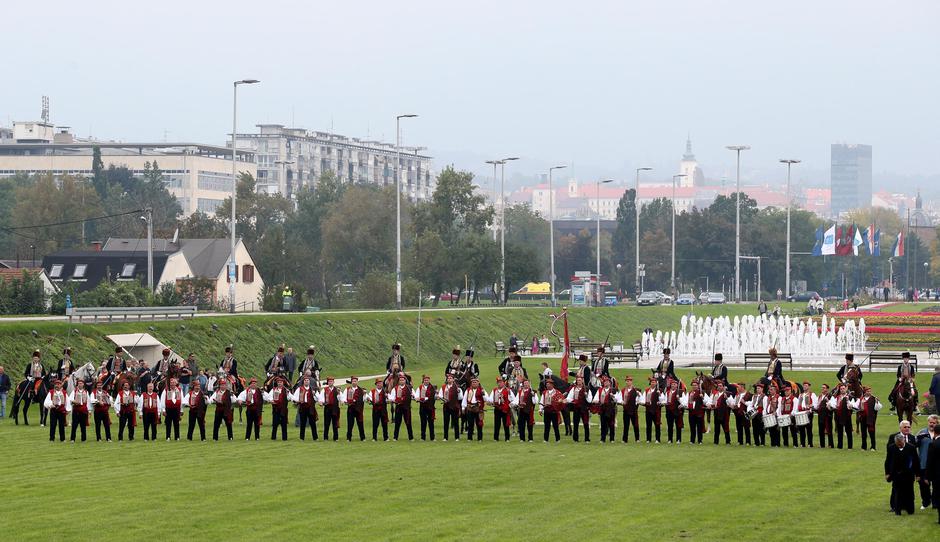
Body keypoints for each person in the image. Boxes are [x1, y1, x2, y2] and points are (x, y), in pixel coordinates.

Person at [884, 433, 921, 515]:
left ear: (903, 440)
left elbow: (916, 462)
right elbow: (887, 461)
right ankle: (898, 510)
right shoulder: (891, 448)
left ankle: (910, 510)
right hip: (896, 474)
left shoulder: (911, 448)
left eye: (900, 444)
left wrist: (918, 474)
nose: (899, 446)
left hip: (908, 474)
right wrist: (887, 473)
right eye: (898, 444)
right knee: (897, 492)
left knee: (909, 492)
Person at [915, 415, 939, 510]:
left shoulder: (939, 433)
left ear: (937, 424)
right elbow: (914, 445)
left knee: (936, 485)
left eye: (934, 423)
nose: (932, 424)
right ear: (928, 422)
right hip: (923, 463)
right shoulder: (922, 432)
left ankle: (935, 503)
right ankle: (926, 502)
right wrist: (919, 440)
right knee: (923, 484)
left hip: (936, 465)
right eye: (930, 422)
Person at [487, 377, 515, 442]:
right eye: (498, 382)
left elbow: (512, 399)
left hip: (505, 409)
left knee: (506, 424)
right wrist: (491, 402)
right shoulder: (494, 390)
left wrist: (510, 402)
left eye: (501, 382)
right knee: (497, 424)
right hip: (497, 409)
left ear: (504, 383)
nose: (499, 384)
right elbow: (491, 399)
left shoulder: (508, 390)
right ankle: (496, 438)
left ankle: (507, 438)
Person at [291, 376, 318, 441]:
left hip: (311, 408)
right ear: (303, 382)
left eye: (307, 380)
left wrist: (314, 395)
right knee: (303, 423)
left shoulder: (312, 389)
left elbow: (317, 399)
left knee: (312, 423)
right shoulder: (299, 389)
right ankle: (301, 438)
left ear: (309, 381)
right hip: (303, 407)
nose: (306, 381)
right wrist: (298, 401)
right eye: (305, 380)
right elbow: (294, 397)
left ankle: (315, 437)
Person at [566, 376, 592, 442]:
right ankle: (575, 438)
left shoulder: (587, 389)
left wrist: (586, 396)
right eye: (578, 380)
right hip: (576, 408)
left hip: (584, 408)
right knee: (576, 424)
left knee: (586, 423)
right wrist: (569, 400)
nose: (579, 382)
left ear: (582, 381)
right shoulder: (574, 389)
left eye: (580, 380)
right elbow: (569, 398)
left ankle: (587, 439)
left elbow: (590, 400)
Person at [438, 374, 463, 441]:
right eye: (448, 378)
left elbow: (460, 398)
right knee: (446, 422)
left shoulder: (457, 387)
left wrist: (459, 392)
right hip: (446, 407)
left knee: (456, 422)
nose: (449, 379)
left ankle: (457, 437)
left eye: (450, 378)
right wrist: (443, 399)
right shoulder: (443, 387)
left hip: (455, 407)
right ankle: (445, 437)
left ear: (453, 379)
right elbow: (440, 396)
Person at [388, 373, 414, 441]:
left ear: (405, 381)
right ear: (399, 381)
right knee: (397, 423)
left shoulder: (409, 388)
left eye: (403, 380)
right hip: (398, 408)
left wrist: (414, 396)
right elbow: (392, 397)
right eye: (400, 380)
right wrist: (392, 400)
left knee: (408, 422)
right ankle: (395, 437)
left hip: (407, 408)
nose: (402, 381)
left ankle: (411, 437)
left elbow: (414, 395)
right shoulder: (395, 388)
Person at [593, 377, 618, 443]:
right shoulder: (600, 390)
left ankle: (612, 439)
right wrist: (595, 401)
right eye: (604, 382)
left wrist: (613, 397)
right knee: (603, 424)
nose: (606, 383)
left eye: (607, 382)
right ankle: (602, 438)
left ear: (610, 383)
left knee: (611, 424)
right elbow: (596, 398)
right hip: (602, 408)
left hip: (610, 409)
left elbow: (617, 400)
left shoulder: (613, 390)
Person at [856, 386, 881, 451]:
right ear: (865, 392)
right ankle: (863, 447)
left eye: (870, 391)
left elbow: (878, 408)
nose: (869, 392)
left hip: (871, 419)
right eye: (867, 391)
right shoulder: (861, 399)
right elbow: (856, 407)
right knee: (863, 433)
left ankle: (873, 447)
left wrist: (877, 402)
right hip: (863, 418)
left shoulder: (874, 398)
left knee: (872, 433)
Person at [342, 376, 366, 442]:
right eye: (353, 381)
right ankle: (348, 438)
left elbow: (364, 399)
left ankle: (363, 437)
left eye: (355, 381)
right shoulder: (348, 389)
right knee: (350, 424)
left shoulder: (361, 390)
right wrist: (345, 401)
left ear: (357, 382)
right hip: (351, 409)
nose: (354, 382)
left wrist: (364, 395)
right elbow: (344, 397)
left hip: (359, 409)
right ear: (351, 382)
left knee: (360, 424)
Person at [829, 384, 853, 449]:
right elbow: (833, 405)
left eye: (843, 388)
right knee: (839, 432)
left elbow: (851, 406)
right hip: (839, 416)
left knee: (848, 432)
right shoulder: (837, 397)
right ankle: (840, 446)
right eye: (841, 389)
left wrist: (847, 401)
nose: (842, 390)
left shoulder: (850, 397)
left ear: (846, 389)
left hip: (847, 416)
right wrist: (832, 405)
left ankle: (850, 447)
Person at [539, 377, 563, 442]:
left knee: (555, 426)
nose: (547, 385)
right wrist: (540, 409)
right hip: (546, 411)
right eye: (546, 384)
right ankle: (545, 439)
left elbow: (561, 399)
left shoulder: (557, 392)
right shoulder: (544, 392)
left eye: (548, 384)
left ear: (552, 385)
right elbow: (541, 402)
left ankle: (557, 439)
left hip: (554, 411)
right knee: (546, 426)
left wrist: (560, 401)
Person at [618, 376, 641, 443]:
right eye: (627, 381)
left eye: (629, 381)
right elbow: (619, 398)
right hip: (626, 410)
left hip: (633, 410)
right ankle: (625, 439)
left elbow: (640, 399)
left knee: (635, 425)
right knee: (626, 425)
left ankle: (637, 439)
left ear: (631, 381)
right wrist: (621, 402)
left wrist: (638, 397)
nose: (628, 382)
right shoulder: (623, 390)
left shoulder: (635, 390)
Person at [709, 381, 732, 445]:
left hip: (724, 413)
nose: (719, 387)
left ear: (723, 387)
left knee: (726, 428)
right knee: (716, 428)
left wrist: (727, 398)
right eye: (718, 386)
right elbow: (711, 402)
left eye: (720, 386)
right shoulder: (715, 394)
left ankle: (728, 441)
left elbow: (731, 404)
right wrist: (710, 405)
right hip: (716, 412)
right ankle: (716, 442)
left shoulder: (728, 394)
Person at [414, 375, 437, 441]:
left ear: (429, 380)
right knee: (423, 422)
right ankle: (422, 437)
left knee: (431, 423)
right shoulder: (420, 387)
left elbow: (434, 396)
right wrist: (417, 398)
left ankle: (432, 437)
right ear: (423, 381)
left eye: (427, 380)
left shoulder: (432, 387)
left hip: (430, 407)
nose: (426, 381)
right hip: (423, 407)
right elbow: (417, 395)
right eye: (425, 380)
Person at [319, 377, 341, 441]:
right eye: (329, 381)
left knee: (335, 423)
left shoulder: (337, 390)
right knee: (326, 423)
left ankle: (336, 438)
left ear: (333, 382)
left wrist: (339, 394)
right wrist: (321, 402)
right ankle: (325, 437)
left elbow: (340, 399)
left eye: (331, 381)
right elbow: (321, 397)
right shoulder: (324, 389)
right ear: (327, 382)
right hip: (327, 408)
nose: (330, 382)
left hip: (335, 408)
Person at [643, 377, 664, 443]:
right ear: (650, 383)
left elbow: (662, 400)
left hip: (656, 410)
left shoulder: (659, 390)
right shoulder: (646, 390)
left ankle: (657, 439)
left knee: (657, 425)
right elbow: (643, 399)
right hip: (648, 410)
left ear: (656, 383)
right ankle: (648, 439)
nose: (653, 383)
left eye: (654, 382)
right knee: (648, 425)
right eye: (652, 382)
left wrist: (659, 394)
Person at [663, 379, 684, 444]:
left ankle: (678, 439)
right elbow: (665, 400)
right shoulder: (667, 392)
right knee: (670, 425)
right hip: (669, 410)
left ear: (677, 385)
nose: (673, 385)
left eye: (674, 384)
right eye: (672, 384)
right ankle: (670, 439)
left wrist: (679, 399)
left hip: (677, 411)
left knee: (678, 426)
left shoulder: (680, 392)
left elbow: (683, 402)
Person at [797, 382, 816, 447]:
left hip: (808, 413)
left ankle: (810, 444)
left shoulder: (812, 394)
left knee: (809, 429)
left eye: (806, 386)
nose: (804, 387)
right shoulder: (800, 395)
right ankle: (802, 443)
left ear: (809, 387)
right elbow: (798, 404)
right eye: (804, 386)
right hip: (801, 413)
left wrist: (810, 408)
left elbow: (815, 404)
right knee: (801, 429)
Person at [686, 380, 705, 445]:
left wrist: (702, 397)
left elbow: (707, 402)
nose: (694, 386)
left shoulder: (701, 392)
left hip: (699, 412)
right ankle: (692, 440)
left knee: (699, 427)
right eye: (693, 385)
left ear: (698, 386)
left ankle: (700, 440)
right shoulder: (690, 393)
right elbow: (686, 401)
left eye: (695, 385)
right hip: (691, 412)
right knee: (692, 427)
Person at [816, 383, 834, 448]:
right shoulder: (819, 396)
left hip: (827, 415)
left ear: (827, 389)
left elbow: (832, 405)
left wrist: (828, 402)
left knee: (829, 430)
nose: (822, 389)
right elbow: (816, 405)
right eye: (822, 387)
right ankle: (822, 445)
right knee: (821, 430)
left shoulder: (830, 396)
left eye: (824, 388)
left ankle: (830, 444)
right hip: (820, 415)